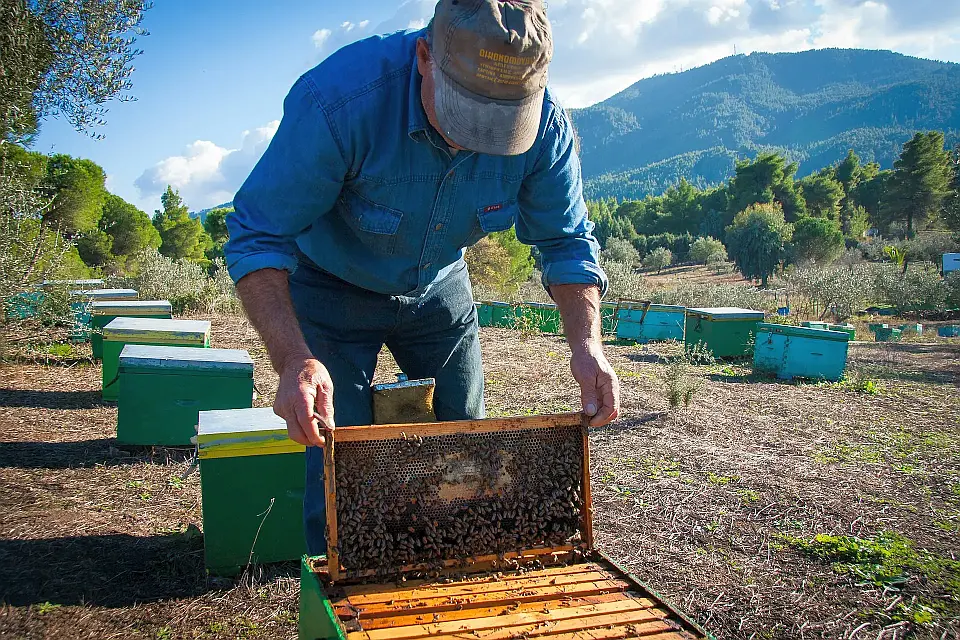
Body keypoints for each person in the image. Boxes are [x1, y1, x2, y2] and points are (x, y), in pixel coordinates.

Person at [223, 0, 620, 556]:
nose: (473, 138)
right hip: (330, 287)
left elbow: (566, 240)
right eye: (462, 111)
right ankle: (342, 597)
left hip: (439, 285)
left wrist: (587, 344)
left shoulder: (550, 128)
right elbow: (257, 234)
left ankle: (450, 573)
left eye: (500, 121)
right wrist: (293, 359)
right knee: (338, 461)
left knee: (468, 451)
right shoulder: (339, 101)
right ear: (424, 57)